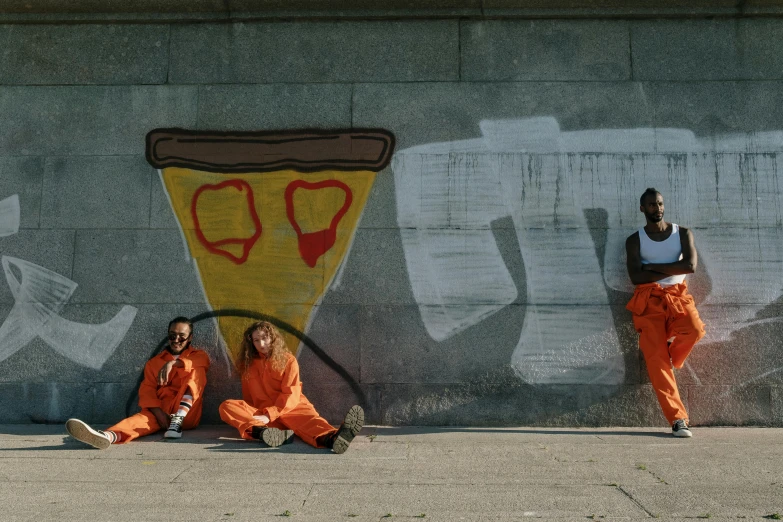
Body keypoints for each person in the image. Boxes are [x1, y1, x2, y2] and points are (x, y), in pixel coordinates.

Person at [625, 188, 706, 438]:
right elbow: (636, 277)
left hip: (678, 297)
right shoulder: (634, 240)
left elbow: (690, 266)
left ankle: (671, 358)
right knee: (656, 361)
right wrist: (671, 268)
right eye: (651, 205)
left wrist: (652, 268)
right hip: (648, 301)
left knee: (694, 330)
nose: (656, 208)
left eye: (659, 204)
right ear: (642, 208)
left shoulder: (682, 233)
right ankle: (678, 419)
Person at [219, 321, 363, 453]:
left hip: (292, 408)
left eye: (265, 338)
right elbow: (248, 398)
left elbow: (291, 393)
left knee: (313, 424)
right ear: (251, 343)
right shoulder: (247, 365)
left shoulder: (288, 360)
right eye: (256, 340)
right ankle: (264, 433)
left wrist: (271, 414)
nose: (261, 343)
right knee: (226, 406)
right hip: (265, 417)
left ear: (273, 338)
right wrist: (254, 416)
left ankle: (334, 438)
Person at [65, 317, 210, 449]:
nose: (176, 340)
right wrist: (159, 414)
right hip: (160, 411)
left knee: (197, 372)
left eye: (182, 337)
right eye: (172, 335)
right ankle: (106, 437)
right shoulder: (154, 363)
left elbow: (199, 364)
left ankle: (177, 421)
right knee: (138, 422)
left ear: (190, 338)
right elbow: (147, 390)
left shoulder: (199, 356)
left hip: (186, 414)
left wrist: (172, 363)